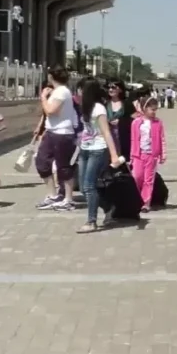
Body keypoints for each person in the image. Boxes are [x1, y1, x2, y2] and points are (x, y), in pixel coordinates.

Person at [75, 77, 122, 233]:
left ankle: (91, 221)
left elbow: (106, 132)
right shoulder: (85, 106)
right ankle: (109, 207)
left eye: (80, 89)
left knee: (89, 186)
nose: (78, 92)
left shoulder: (99, 109)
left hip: (98, 150)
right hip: (84, 149)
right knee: (83, 188)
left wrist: (114, 156)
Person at [34, 66, 79, 211]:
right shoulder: (56, 91)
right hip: (51, 131)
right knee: (42, 162)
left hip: (63, 133)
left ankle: (68, 199)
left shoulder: (62, 91)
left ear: (51, 76)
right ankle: (53, 195)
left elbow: (50, 111)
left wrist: (43, 97)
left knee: (63, 166)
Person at [130, 96, 166, 212]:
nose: (154, 112)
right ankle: (137, 199)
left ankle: (146, 203)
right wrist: (132, 156)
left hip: (152, 155)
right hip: (138, 155)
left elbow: (162, 139)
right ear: (144, 108)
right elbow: (133, 140)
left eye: (156, 109)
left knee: (148, 180)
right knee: (137, 177)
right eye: (152, 109)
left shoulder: (158, 123)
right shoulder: (136, 123)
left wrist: (163, 154)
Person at [106, 78, 135, 157]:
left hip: (123, 138)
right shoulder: (105, 104)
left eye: (113, 87)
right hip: (107, 138)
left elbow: (135, 120)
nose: (110, 90)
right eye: (109, 87)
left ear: (120, 90)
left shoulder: (127, 104)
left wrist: (121, 121)